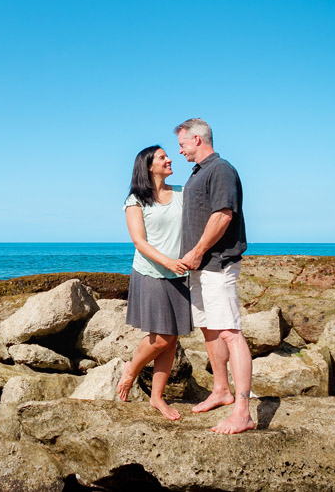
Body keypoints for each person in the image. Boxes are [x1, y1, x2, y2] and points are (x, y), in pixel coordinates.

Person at [175, 118, 254, 434]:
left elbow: (223, 215)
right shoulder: (198, 173)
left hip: (217, 264)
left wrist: (196, 252)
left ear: (196, 139)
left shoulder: (220, 169)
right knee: (209, 329)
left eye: (182, 144)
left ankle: (243, 412)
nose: (179, 151)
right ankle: (221, 390)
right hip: (200, 268)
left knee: (230, 332)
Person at [116, 145, 193, 420]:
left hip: (180, 275)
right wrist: (169, 262)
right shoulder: (136, 200)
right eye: (162, 157)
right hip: (150, 273)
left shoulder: (182, 193)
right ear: (149, 166)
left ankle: (157, 398)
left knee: (171, 340)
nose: (169, 159)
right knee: (161, 339)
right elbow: (139, 241)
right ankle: (131, 370)